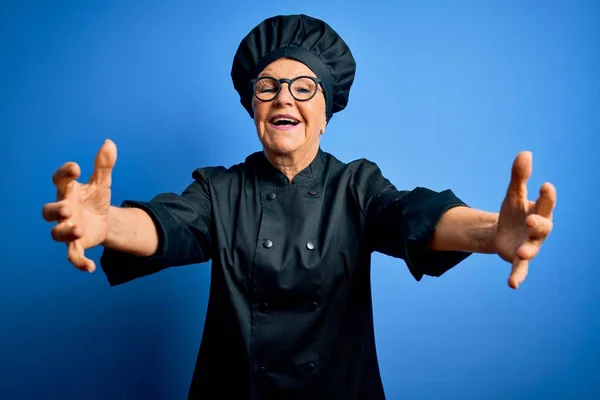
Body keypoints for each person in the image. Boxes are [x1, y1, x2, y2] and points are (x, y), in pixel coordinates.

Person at [41, 14, 556, 400]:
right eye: (268, 87)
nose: (284, 97)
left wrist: (490, 233)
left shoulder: (356, 185)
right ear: (254, 108)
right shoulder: (221, 189)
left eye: (303, 87)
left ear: (326, 112)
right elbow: (166, 226)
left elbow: (410, 215)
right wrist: (106, 222)